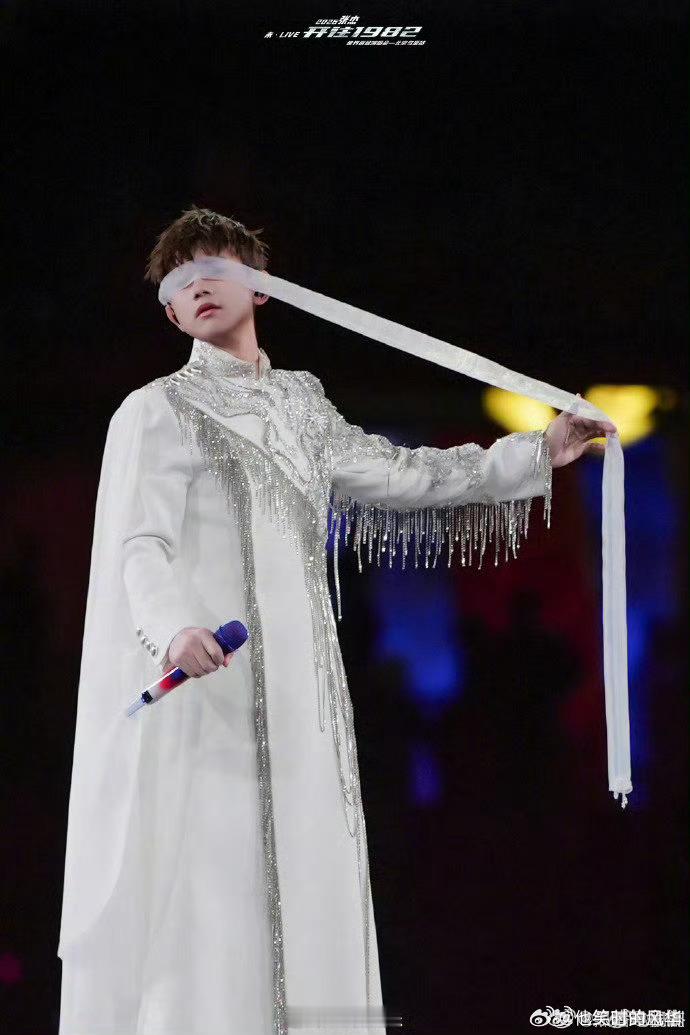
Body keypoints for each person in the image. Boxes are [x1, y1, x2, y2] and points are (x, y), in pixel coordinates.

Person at [57, 205, 616, 1035]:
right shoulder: (156, 410)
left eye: (214, 265)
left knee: (313, 897)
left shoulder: (303, 406)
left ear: (262, 286)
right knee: (212, 909)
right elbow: (140, 544)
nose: (196, 284)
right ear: (169, 313)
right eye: (177, 281)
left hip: (307, 718)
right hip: (210, 706)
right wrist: (173, 629)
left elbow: (407, 474)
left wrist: (537, 452)